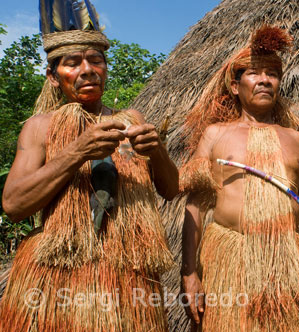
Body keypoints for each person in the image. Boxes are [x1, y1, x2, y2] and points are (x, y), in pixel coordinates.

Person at [0, 1, 178, 331]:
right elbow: (13, 205)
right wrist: (76, 152)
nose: (87, 69)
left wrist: (159, 153)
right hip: (61, 278)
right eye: (73, 63)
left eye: (96, 60)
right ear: (53, 76)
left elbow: (171, 189)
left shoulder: (132, 121)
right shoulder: (40, 127)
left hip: (130, 278)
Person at [180, 26, 299, 332]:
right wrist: (189, 273)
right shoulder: (216, 135)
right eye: (254, 73)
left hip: (290, 259)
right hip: (231, 257)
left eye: (272, 74)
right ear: (236, 87)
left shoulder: (295, 138)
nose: (265, 80)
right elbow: (195, 206)